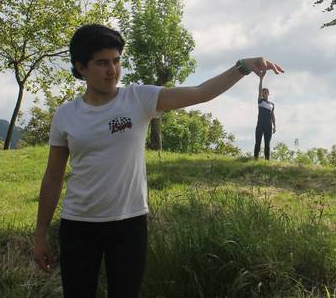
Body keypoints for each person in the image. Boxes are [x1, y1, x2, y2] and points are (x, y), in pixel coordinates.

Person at [33, 24, 283, 298]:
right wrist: (40, 234)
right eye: (102, 63)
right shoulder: (66, 114)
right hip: (78, 225)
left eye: (116, 61)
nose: (112, 70)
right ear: (81, 68)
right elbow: (54, 176)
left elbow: (201, 92)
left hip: (128, 225)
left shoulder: (138, 98)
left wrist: (242, 67)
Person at [253, 74, 276, 160]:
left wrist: (274, 126)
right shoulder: (260, 101)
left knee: (267, 143)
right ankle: (255, 158)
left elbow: (273, 115)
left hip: (268, 126)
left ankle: (267, 159)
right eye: (263, 92)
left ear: (268, 93)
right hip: (260, 125)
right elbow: (259, 90)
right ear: (262, 94)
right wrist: (261, 79)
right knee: (258, 143)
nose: (264, 94)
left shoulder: (272, 104)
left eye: (266, 92)